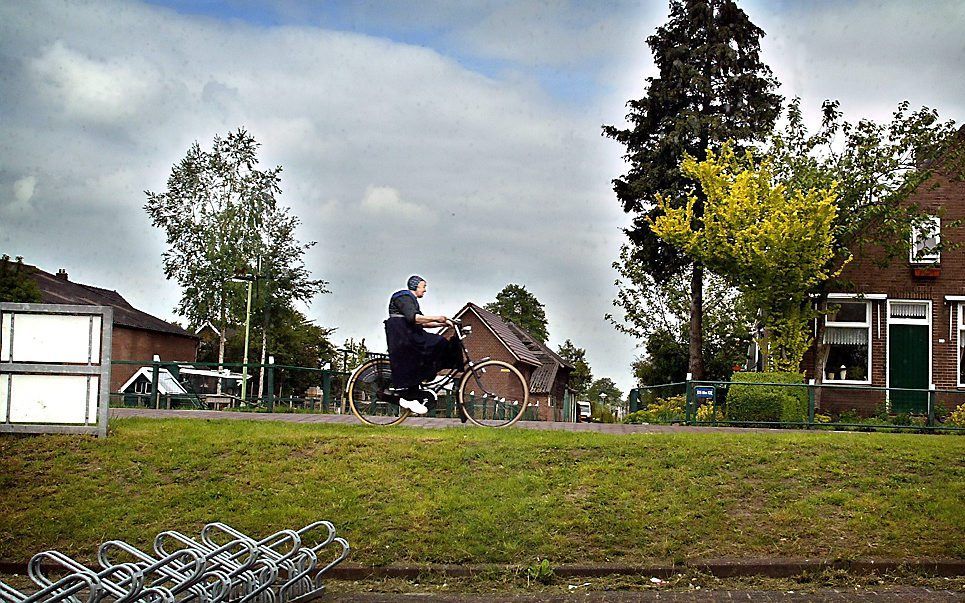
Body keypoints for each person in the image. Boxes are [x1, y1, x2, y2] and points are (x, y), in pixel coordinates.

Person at [384, 275, 464, 414]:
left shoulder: (412, 300)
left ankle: (425, 377)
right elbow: (414, 318)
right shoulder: (403, 296)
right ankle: (427, 375)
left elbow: (423, 322)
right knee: (437, 342)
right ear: (415, 286)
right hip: (404, 336)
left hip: (408, 334)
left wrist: (444, 323)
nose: (425, 290)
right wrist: (438, 318)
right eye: (423, 286)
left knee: (439, 342)